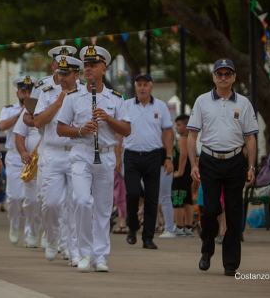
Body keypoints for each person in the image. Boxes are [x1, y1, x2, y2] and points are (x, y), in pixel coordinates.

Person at [56, 45, 131, 273]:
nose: (88, 69)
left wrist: (107, 118)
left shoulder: (116, 98)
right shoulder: (73, 97)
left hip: (106, 156)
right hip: (81, 153)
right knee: (81, 201)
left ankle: (100, 256)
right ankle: (83, 252)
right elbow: (60, 129)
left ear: (103, 68)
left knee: (102, 208)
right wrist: (80, 130)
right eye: (85, 65)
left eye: (93, 65)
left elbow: (126, 130)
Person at [187, 58, 257, 277]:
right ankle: (207, 249)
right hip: (209, 159)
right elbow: (192, 135)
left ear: (234, 77)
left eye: (228, 74)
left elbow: (251, 138)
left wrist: (252, 166)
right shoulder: (202, 101)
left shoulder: (244, 103)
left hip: (236, 161)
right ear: (214, 77)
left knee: (235, 213)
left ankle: (230, 262)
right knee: (210, 210)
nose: (224, 78)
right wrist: (193, 163)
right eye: (220, 74)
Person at [31, 51, 82, 264]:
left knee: (75, 203)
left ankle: (73, 248)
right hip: (52, 152)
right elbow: (38, 121)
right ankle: (52, 239)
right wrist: (59, 102)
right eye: (60, 73)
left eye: (67, 73)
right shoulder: (48, 92)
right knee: (50, 203)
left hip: (77, 152)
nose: (62, 78)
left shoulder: (85, 93)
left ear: (76, 74)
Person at [121, 73, 173, 249]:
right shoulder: (126, 105)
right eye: (139, 84)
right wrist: (116, 156)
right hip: (131, 155)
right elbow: (118, 131)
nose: (142, 87)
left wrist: (168, 157)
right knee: (133, 193)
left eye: (145, 84)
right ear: (135, 87)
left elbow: (167, 132)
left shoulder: (161, 106)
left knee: (152, 198)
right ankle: (132, 227)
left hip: (153, 156)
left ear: (151, 86)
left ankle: (148, 237)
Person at [0, 75, 35, 245]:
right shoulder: (9, 109)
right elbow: (2, 126)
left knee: (31, 198)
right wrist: (20, 114)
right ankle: (14, 223)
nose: (26, 94)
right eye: (23, 91)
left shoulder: (38, 109)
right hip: (14, 156)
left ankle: (29, 230)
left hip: (32, 157)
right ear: (17, 92)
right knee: (14, 197)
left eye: (29, 91)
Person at [13, 97, 42, 248]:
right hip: (32, 161)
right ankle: (32, 230)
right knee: (31, 200)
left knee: (51, 200)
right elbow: (19, 134)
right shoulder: (30, 109)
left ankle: (50, 234)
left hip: (51, 158)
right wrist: (23, 152)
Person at [171, 114, 194, 235]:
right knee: (187, 200)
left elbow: (183, 155)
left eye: (179, 125)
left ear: (186, 126)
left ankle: (179, 227)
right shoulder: (191, 139)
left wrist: (179, 171)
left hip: (181, 175)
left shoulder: (183, 139)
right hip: (188, 175)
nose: (177, 128)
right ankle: (188, 227)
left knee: (177, 199)